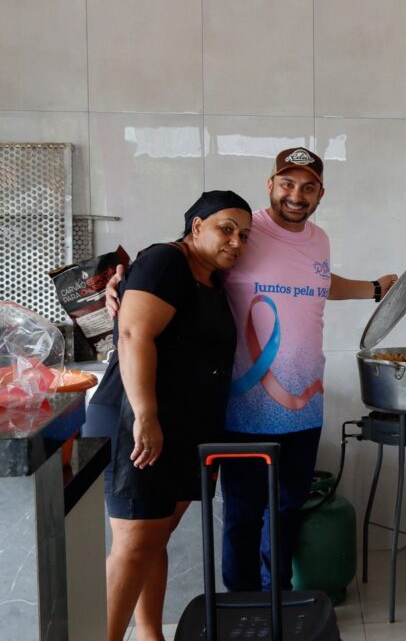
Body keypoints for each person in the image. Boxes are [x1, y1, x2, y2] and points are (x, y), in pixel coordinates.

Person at [107, 147, 397, 594]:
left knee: (287, 506)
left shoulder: (318, 239)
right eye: (287, 183)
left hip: (305, 401)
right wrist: (122, 281)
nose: (296, 195)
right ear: (271, 185)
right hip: (241, 404)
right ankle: (241, 602)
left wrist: (373, 288)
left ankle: (275, 596)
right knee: (243, 509)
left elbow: (319, 281)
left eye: (308, 187)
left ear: (321, 193)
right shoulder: (244, 228)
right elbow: (180, 255)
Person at [90, 190, 253, 641]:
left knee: (153, 538)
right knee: (135, 543)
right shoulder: (166, 261)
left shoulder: (209, 279)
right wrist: (145, 415)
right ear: (196, 226)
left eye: (244, 235)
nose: (236, 242)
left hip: (182, 425)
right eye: (226, 229)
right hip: (138, 418)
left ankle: (149, 634)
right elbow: (132, 333)